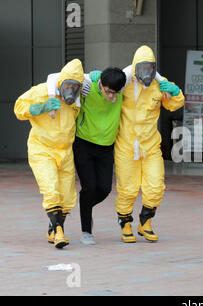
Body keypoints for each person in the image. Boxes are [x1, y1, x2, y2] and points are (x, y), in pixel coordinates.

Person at [48, 68, 126, 245]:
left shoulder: (120, 87)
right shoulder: (88, 86)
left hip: (106, 146)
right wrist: (52, 96)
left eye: (115, 93)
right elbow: (53, 76)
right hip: (83, 143)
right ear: (101, 85)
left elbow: (138, 71)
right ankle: (86, 231)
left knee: (104, 189)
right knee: (89, 187)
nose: (111, 97)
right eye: (108, 92)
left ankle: (82, 208)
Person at [115, 45, 185, 243]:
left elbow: (174, 103)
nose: (146, 72)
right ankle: (125, 223)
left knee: (155, 186)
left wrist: (176, 91)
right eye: (142, 68)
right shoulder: (125, 83)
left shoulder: (159, 84)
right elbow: (108, 93)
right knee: (127, 189)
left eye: (150, 68)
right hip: (126, 146)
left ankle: (145, 222)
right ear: (135, 67)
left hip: (151, 146)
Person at [14, 59, 84, 249]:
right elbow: (18, 108)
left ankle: (53, 226)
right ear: (61, 81)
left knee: (68, 199)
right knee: (51, 190)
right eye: (67, 84)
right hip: (42, 149)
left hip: (65, 152)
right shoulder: (42, 91)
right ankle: (59, 232)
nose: (70, 89)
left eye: (74, 86)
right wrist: (39, 108)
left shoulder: (77, 98)